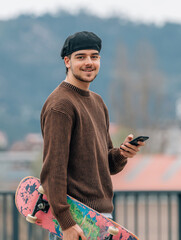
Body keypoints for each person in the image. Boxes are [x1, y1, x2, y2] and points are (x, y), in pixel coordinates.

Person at [40, 31, 145, 240]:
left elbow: (107, 165)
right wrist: (66, 222)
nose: (89, 62)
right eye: (81, 57)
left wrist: (122, 153)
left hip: (102, 218)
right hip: (76, 219)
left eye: (94, 57)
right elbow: (53, 169)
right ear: (67, 61)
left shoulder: (97, 103)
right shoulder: (61, 105)